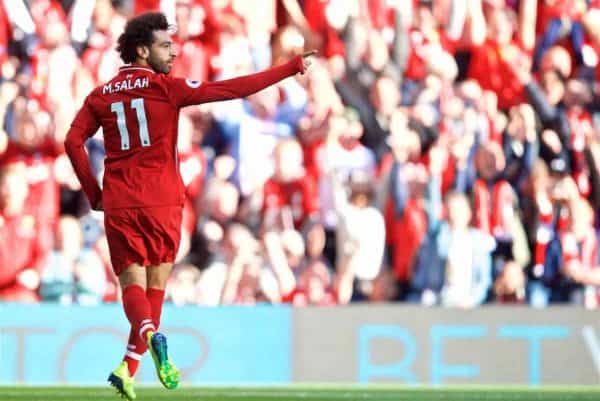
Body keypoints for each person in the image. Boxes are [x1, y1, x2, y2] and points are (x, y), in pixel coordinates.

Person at [64, 12, 315, 400]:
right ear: (142, 50)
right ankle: (134, 361)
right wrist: (290, 68)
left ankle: (133, 360)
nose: (174, 51)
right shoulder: (170, 89)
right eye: (165, 45)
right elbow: (234, 89)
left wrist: (94, 192)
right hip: (163, 200)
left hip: (120, 200)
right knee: (155, 289)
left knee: (131, 284)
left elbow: (72, 142)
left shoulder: (101, 95)